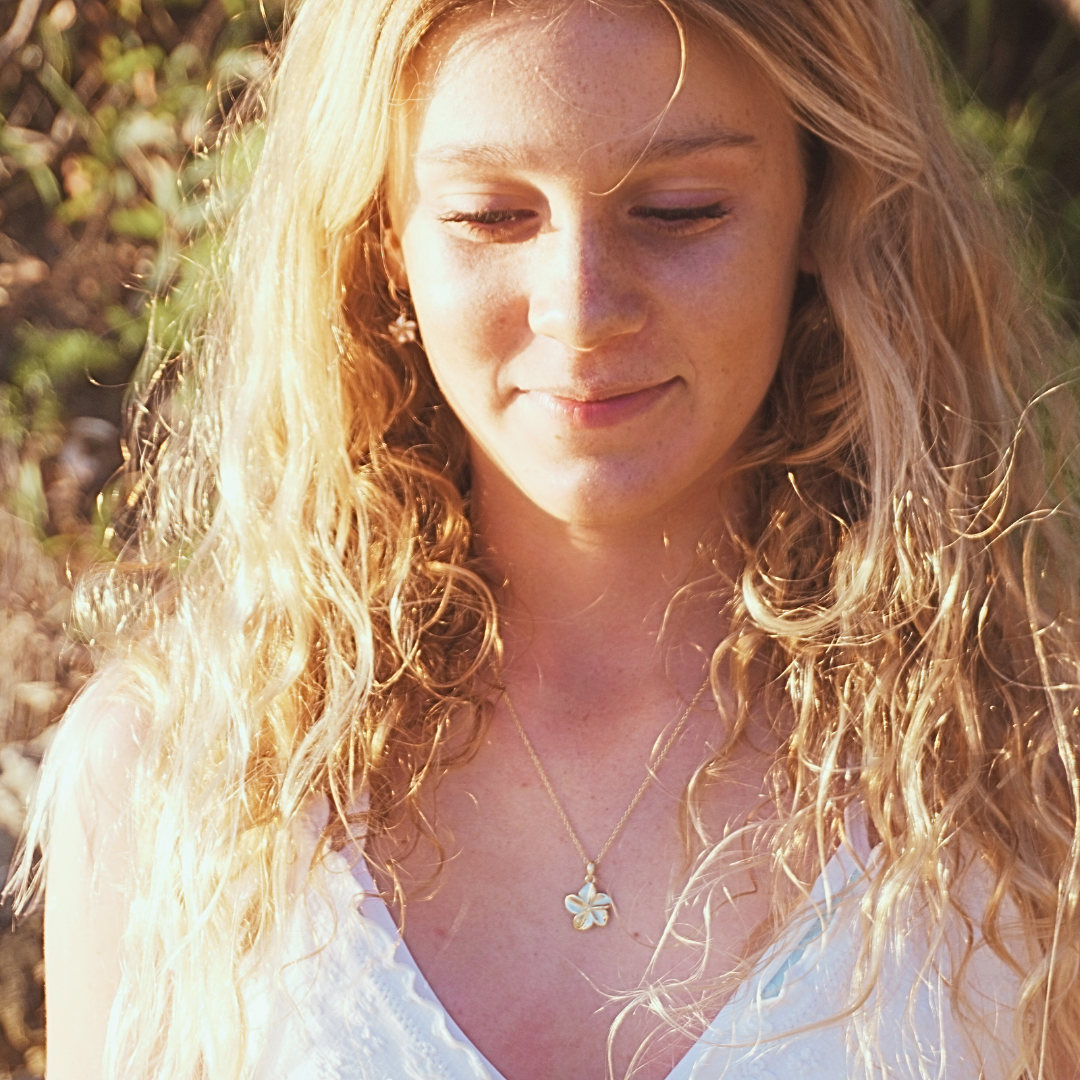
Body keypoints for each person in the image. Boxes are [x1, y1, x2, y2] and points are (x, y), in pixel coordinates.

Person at [9, 0, 1080, 1076]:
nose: (580, 309)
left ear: (825, 207)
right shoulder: (170, 783)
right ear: (383, 240)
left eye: (679, 209)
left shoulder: (1034, 778)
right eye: (488, 216)